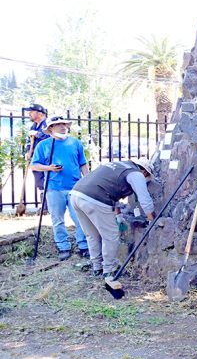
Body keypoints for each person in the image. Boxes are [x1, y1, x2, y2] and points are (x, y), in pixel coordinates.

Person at [70, 159, 156, 289]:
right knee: (110, 236)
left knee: (91, 235)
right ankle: (109, 271)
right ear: (144, 171)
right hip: (95, 199)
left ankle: (97, 267)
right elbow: (144, 199)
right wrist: (152, 219)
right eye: (147, 177)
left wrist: (118, 214)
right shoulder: (136, 174)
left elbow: (110, 189)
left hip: (76, 194)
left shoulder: (118, 165)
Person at [29, 116, 90, 261]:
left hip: (75, 187)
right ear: (50, 128)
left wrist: (87, 181)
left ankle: (83, 245)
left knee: (80, 217)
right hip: (53, 188)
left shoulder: (75, 143)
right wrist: (49, 168)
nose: (63, 127)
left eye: (64, 124)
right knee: (57, 220)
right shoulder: (44, 145)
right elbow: (34, 165)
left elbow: (82, 163)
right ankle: (63, 247)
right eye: (58, 125)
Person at [26, 104, 49, 213]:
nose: (29, 114)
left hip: (46, 159)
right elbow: (29, 141)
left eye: (31, 111)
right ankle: (44, 206)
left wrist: (38, 134)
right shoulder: (33, 126)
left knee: (47, 181)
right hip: (36, 159)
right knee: (40, 183)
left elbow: (51, 137)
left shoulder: (48, 125)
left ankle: (48, 207)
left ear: (40, 114)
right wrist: (27, 152)